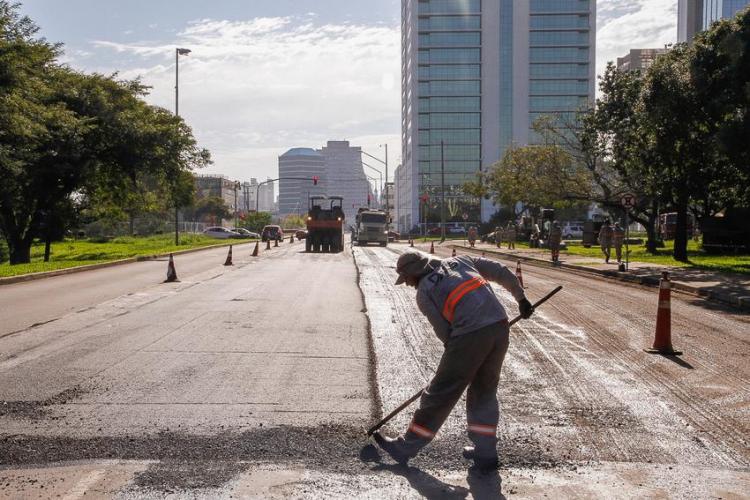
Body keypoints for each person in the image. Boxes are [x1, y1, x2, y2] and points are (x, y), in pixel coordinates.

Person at [373, 250, 534, 471]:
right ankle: (486, 453)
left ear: (413, 273)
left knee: (440, 392)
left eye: (407, 279)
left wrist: (456, 363)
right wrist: (521, 298)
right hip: (499, 327)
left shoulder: (424, 292)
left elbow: (445, 333)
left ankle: (407, 447)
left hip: (470, 334)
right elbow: (499, 271)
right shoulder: (461, 261)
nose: (408, 284)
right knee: (483, 392)